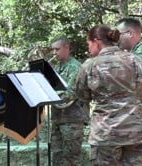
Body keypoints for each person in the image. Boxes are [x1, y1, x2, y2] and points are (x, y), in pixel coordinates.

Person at [75, 24, 142, 165]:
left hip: (106, 134)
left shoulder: (89, 66)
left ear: (97, 41)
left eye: (89, 44)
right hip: (137, 132)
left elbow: (82, 95)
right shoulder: (135, 61)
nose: (89, 49)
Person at [50, 35, 89, 166]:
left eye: (57, 49)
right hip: (58, 118)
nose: (54, 53)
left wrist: (50, 95)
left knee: (70, 159)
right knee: (57, 157)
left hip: (72, 120)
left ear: (66, 47)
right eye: (53, 50)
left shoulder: (75, 67)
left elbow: (71, 93)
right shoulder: (56, 69)